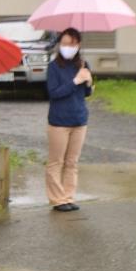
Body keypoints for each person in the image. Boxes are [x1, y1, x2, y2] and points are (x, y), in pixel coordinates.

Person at [45, 27, 93, 212]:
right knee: (56, 161)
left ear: (78, 45)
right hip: (59, 121)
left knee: (72, 162)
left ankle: (68, 196)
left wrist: (88, 83)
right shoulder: (53, 67)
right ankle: (57, 199)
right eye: (64, 44)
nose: (68, 47)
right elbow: (54, 93)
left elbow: (85, 93)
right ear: (59, 45)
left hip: (79, 119)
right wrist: (75, 81)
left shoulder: (83, 65)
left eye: (72, 44)